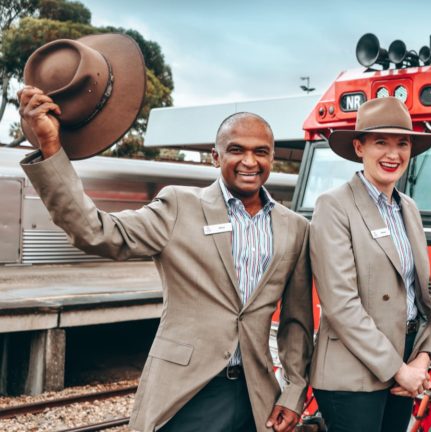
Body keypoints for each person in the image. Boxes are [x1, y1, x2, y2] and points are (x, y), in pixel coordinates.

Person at [17, 35, 313, 432]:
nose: (249, 161)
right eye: (237, 150)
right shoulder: (179, 206)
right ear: (216, 156)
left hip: (255, 398)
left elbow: (297, 322)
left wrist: (293, 392)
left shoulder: (295, 228)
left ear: (272, 158)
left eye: (261, 152)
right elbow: (95, 232)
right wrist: (52, 147)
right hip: (184, 394)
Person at [309, 97, 431, 432]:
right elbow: (341, 305)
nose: (392, 154)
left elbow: (421, 293)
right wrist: (399, 370)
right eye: (381, 142)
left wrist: (423, 357)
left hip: (404, 362)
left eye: (402, 143)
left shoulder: (408, 208)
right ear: (359, 146)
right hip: (352, 376)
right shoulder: (333, 206)